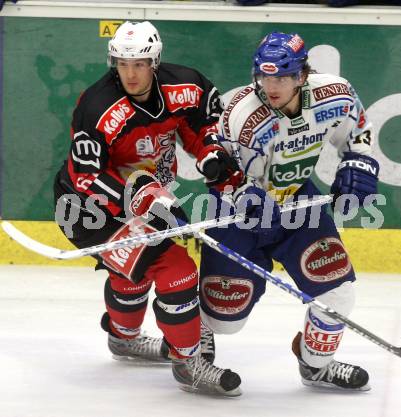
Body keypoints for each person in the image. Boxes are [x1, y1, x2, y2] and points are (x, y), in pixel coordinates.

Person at [53, 20, 243, 397]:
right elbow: (87, 178)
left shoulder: (186, 86)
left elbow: (204, 126)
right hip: (87, 208)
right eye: (123, 64)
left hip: (147, 199)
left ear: (155, 61)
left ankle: (122, 338)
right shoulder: (97, 107)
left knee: (133, 273)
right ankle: (189, 363)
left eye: (139, 64)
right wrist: (140, 197)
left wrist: (211, 156)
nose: (131, 73)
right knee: (177, 271)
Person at [198, 31, 379, 391]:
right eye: (265, 77)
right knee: (226, 318)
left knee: (338, 292)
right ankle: (195, 338)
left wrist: (359, 163)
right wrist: (242, 195)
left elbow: (358, 133)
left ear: (301, 75)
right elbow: (219, 171)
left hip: (299, 204)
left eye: (281, 77)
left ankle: (316, 365)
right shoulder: (243, 116)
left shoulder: (335, 94)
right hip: (238, 217)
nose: (272, 86)